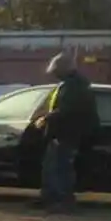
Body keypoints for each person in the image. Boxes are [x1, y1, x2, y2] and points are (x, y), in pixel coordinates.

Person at [35, 51, 98, 211]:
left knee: (61, 168)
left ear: (64, 69)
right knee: (51, 167)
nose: (54, 74)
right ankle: (48, 198)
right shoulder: (70, 84)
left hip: (67, 133)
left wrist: (47, 118)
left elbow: (68, 109)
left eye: (56, 71)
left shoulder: (76, 86)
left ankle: (63, 201)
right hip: (60, 133)